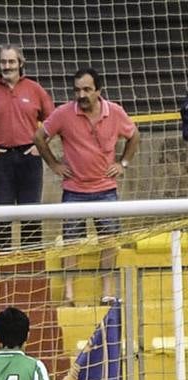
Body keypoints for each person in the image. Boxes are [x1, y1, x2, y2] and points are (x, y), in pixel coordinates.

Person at [33, 67, 139, 303]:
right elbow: (39, 137)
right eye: (77, 90)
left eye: (87, 90)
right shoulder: (63, 114)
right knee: (71, 243)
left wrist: (123, 163)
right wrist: (54, 164)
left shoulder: (115, 112)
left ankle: (107, 292)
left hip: (105, 191)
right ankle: (69, 292)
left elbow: (134, 136)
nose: (81, 95)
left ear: (98, 91)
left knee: (109, 241)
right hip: (74, 191)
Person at [0, 45, 55, 251]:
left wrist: (40, 147)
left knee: (31, 211)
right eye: (3, 62)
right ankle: (3, 262)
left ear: (20, 64)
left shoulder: (35, 89)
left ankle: (30, 262)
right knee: (1, 212)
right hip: (1, 159)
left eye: (11, 62)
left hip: (29, 158)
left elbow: (52, 120)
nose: (7, 66)